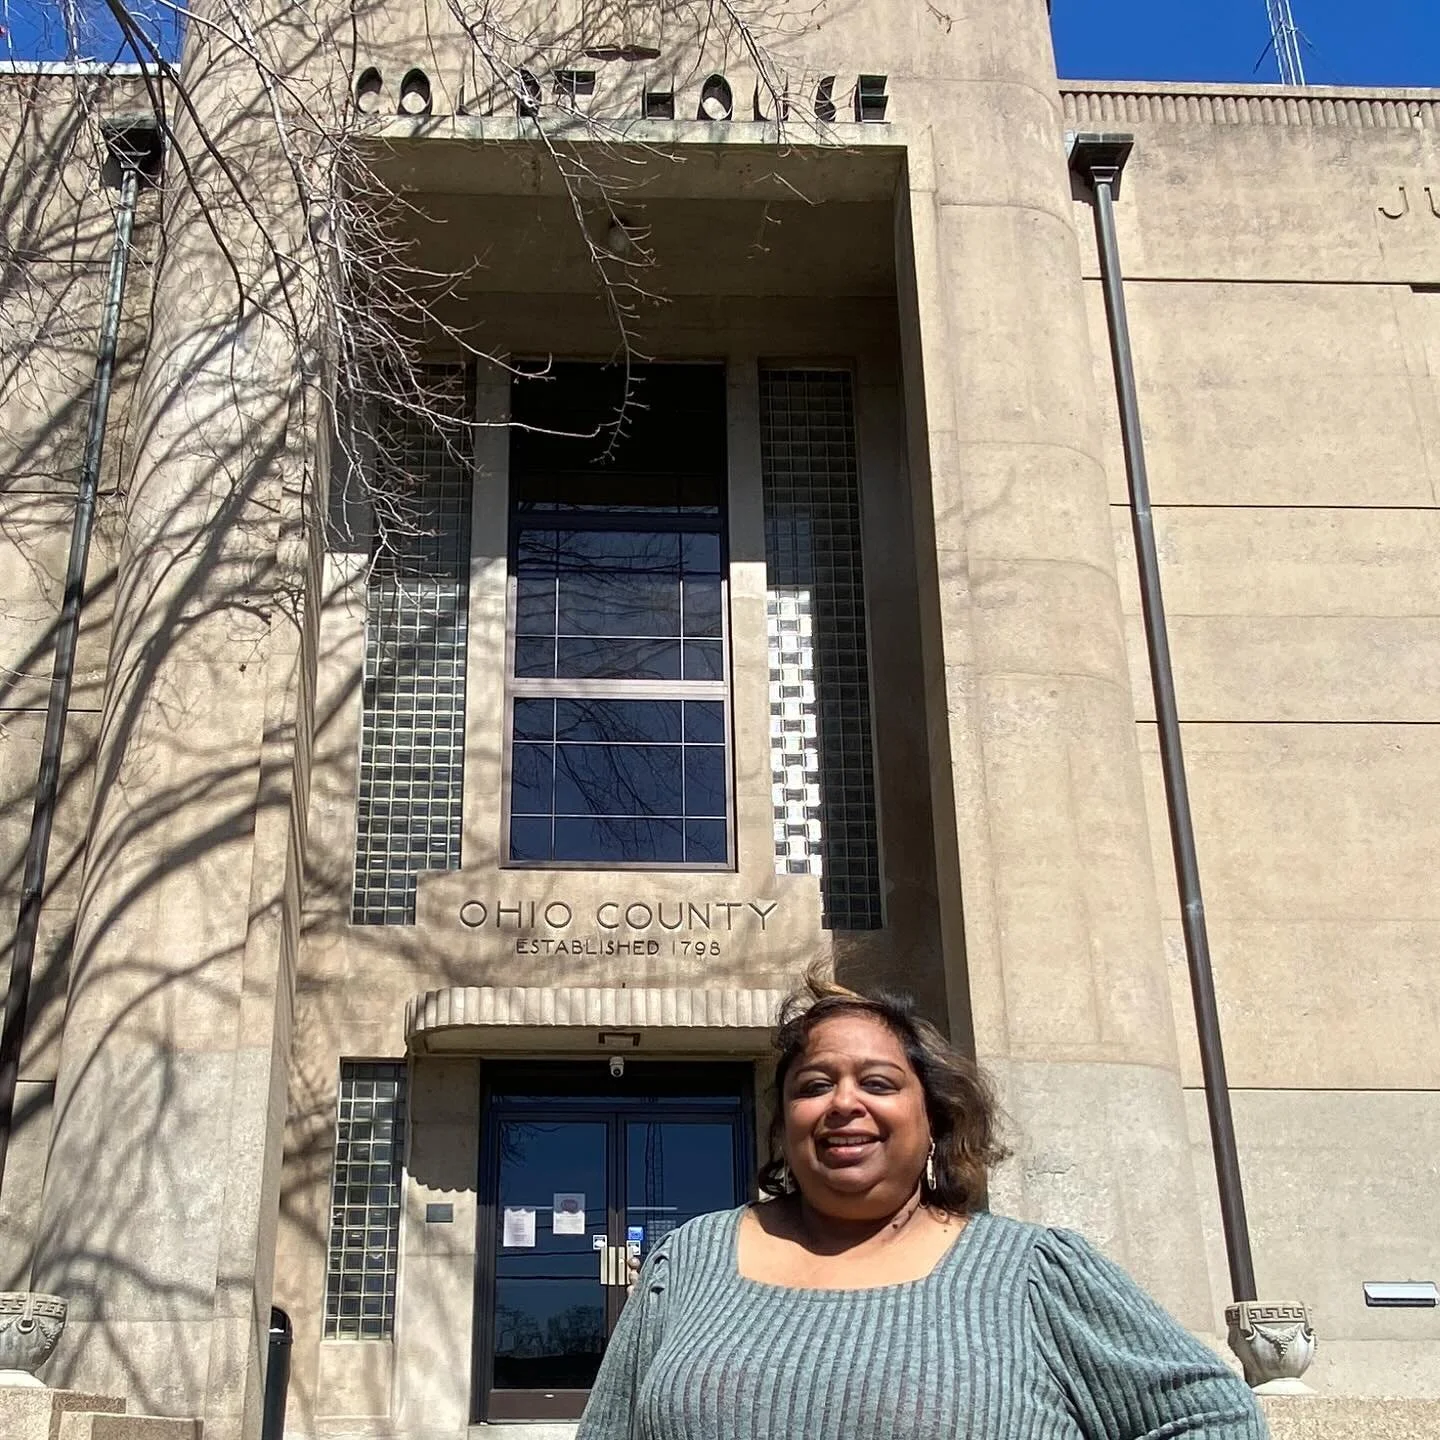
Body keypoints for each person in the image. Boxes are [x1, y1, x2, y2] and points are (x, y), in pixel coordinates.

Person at [577, 970, 1268, 1440]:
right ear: (784, 1124)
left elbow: (1213, 1419)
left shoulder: (1031, 1274)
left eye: (878, 1083)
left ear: (934, 1116)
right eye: (813, 1086)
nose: (843, 1104)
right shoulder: (689, 1262)